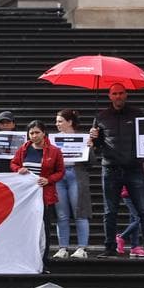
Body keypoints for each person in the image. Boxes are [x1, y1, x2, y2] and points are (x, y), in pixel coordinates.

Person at [90, 83, 144, 258]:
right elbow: (97, 147)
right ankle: (109, 247)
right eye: (115, 93)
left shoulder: (138, 114)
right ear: (109, 96)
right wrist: (93, 139)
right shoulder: (101, 117)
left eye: (121, 93)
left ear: (126, 94)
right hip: (110, 168)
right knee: (109, 211)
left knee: (142, 209)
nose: (118, 96)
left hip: (134, 168)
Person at [11, 119, 65, 268]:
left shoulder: (54, 151)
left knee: (44, 229)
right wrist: (18, 169)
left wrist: (48, 180)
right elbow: (13, 163)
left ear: (44, 133)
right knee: (26, 227)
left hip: (45, 196)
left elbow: (61, 171)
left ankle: (43, 260)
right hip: (26, 196)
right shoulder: (23, 149)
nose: (34, 135)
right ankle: (26, 259)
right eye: (31, 133)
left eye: (37, 132)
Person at [53, 108, 93, 259]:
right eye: (56, 121)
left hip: (76, 174)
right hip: (59, 176)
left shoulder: (82, 138)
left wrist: (90, 148)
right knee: (61, 214)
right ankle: (63, 247)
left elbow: (91, 162)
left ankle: (82, 248)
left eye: (60, 121)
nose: (57, 124)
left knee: (80, 212)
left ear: (70, 122)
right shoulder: (53, 139)